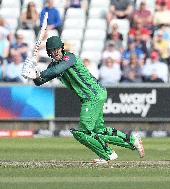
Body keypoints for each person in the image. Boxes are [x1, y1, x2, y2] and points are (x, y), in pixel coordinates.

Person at [22, 36, 144, 164]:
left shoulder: (69, 58)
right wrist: (33, 74)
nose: (55, 52)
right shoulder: (53, 65)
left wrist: (38, 73)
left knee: (81, 132)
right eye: (52, 51)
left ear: (62, 48)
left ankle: (108, 154)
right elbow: (40, 81)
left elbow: (57, 70)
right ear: (48, 52)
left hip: (93, 95)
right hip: (93, 95)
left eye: (57, 49)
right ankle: (131, 140)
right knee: (99, 131)